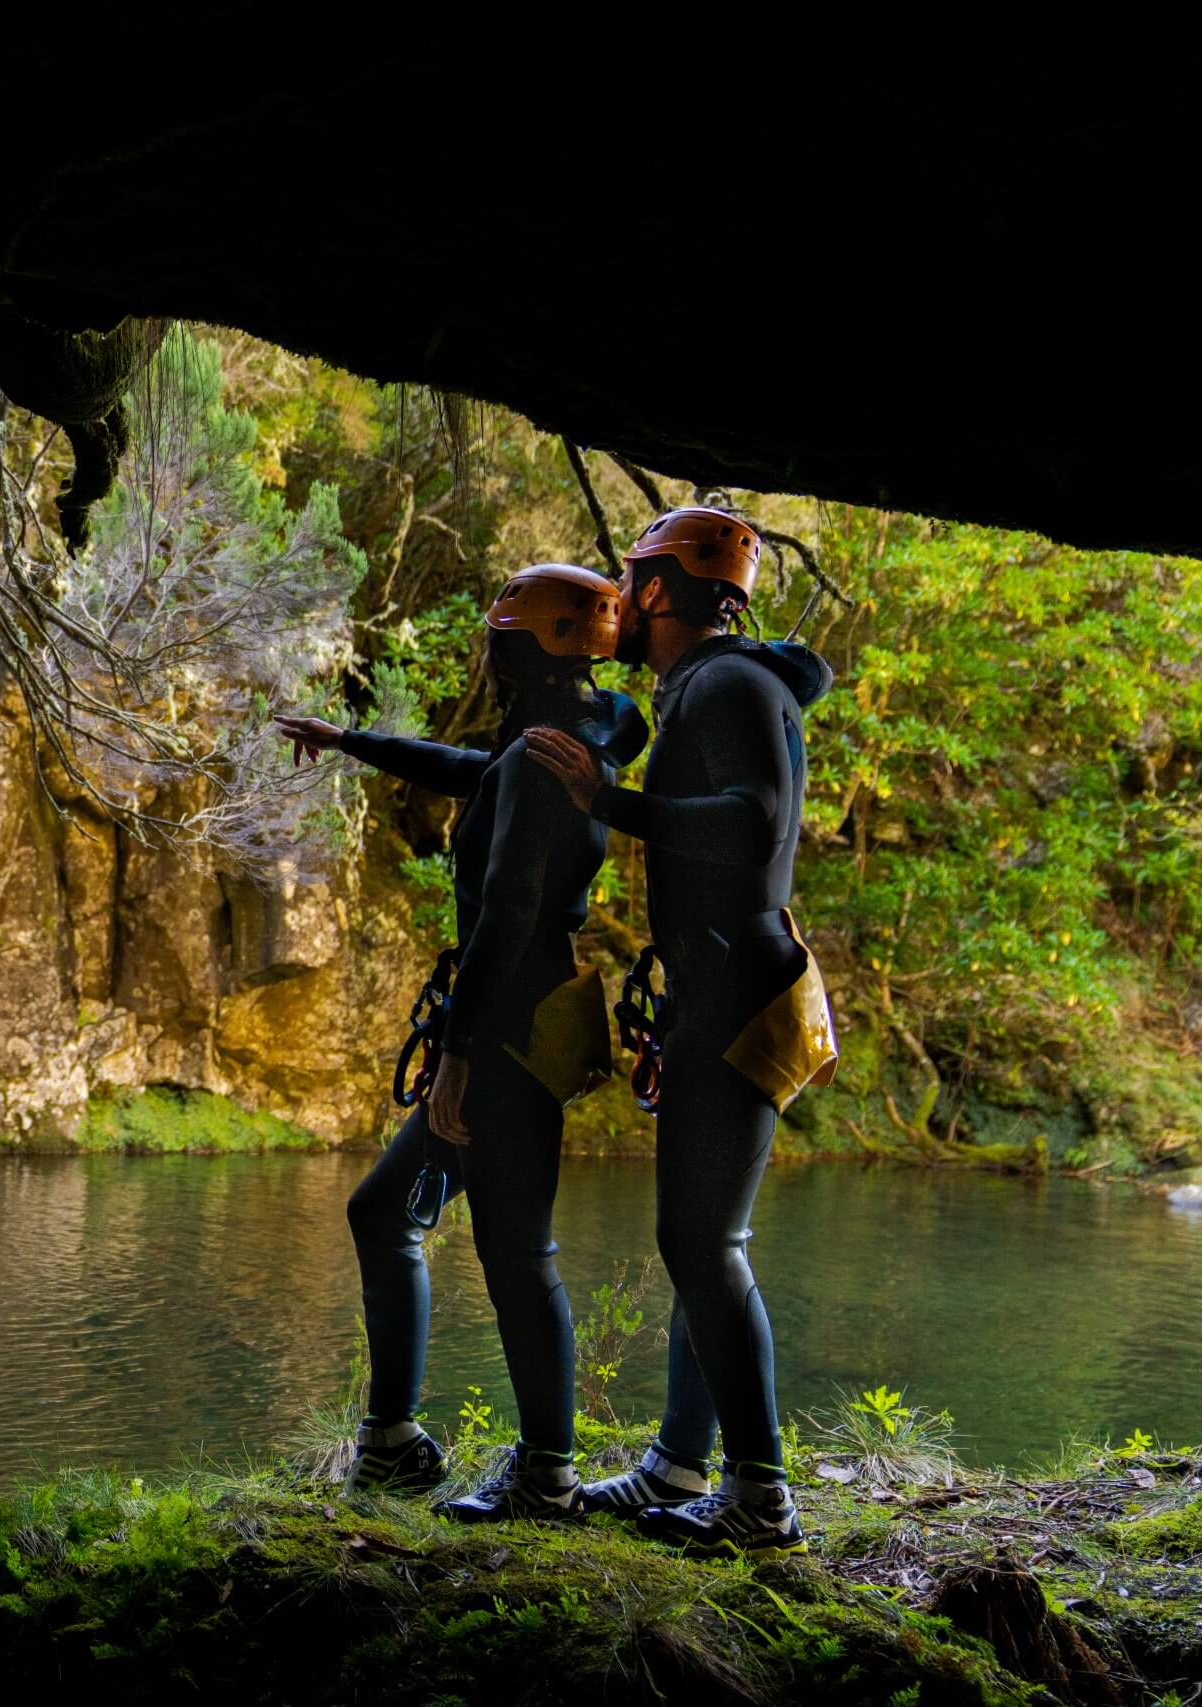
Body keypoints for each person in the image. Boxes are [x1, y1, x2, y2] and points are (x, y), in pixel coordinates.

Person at [276, 564, 644, 1522]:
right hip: (528, 1017)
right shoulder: (574, 740)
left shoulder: (539, 757)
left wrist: (458, 1057)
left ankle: (541, 1474)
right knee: (394, 1215)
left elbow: (508, 913)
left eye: (502, 634)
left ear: (527, 647)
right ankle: (397, 1442)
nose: (491, 646)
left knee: (513, 1251)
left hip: (507, 1031)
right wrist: (350, 739)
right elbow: (471, 771)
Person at [525, 507, 837, 1555]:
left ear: (662, 591)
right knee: (698, 1239)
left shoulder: (727, 683)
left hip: (739, 978)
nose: (619, 591)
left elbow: (752, 819)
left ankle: (759, 1499)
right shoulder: (708, 685)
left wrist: (615, 805)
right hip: (723, 976)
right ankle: (678, 1467)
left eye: (631, 575)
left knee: (703, 1239)